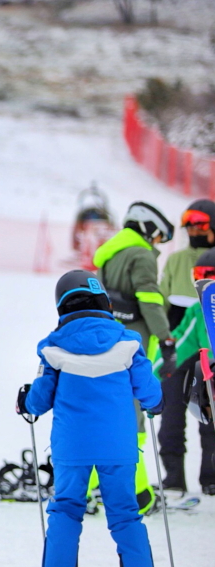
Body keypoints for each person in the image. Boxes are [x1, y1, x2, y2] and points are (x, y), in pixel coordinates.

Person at [15, 270, 162, 567]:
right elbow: (151, 393)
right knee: (126, 513)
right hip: (118, 447)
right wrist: (155, 406)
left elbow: (39, 402)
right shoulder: (128, 342)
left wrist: (25, 401)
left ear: (62, 306)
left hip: (72, 448)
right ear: (105, 303)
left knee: (66, 508)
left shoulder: (54, 347)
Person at [92, 201, 175, 514]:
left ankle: (83, 488)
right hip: (135, 343)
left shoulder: (110, 251)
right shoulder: (140, 253)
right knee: (133, 412)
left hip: (107, 339)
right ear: (147, 228)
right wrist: (165, 336)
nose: (156, 244)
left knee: (103, 410)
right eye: (157, 237)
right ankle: (136, 491)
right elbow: (150, 298)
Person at [158, 200, 215, 494]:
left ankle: (211, 478)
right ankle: (173, 479)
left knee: (211, 417)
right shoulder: (177, 259)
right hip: (179, 346)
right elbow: (162, 302)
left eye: (201, 224)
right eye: (190, 224)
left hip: (209, 350)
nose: (194, 230)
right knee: (171, 415)